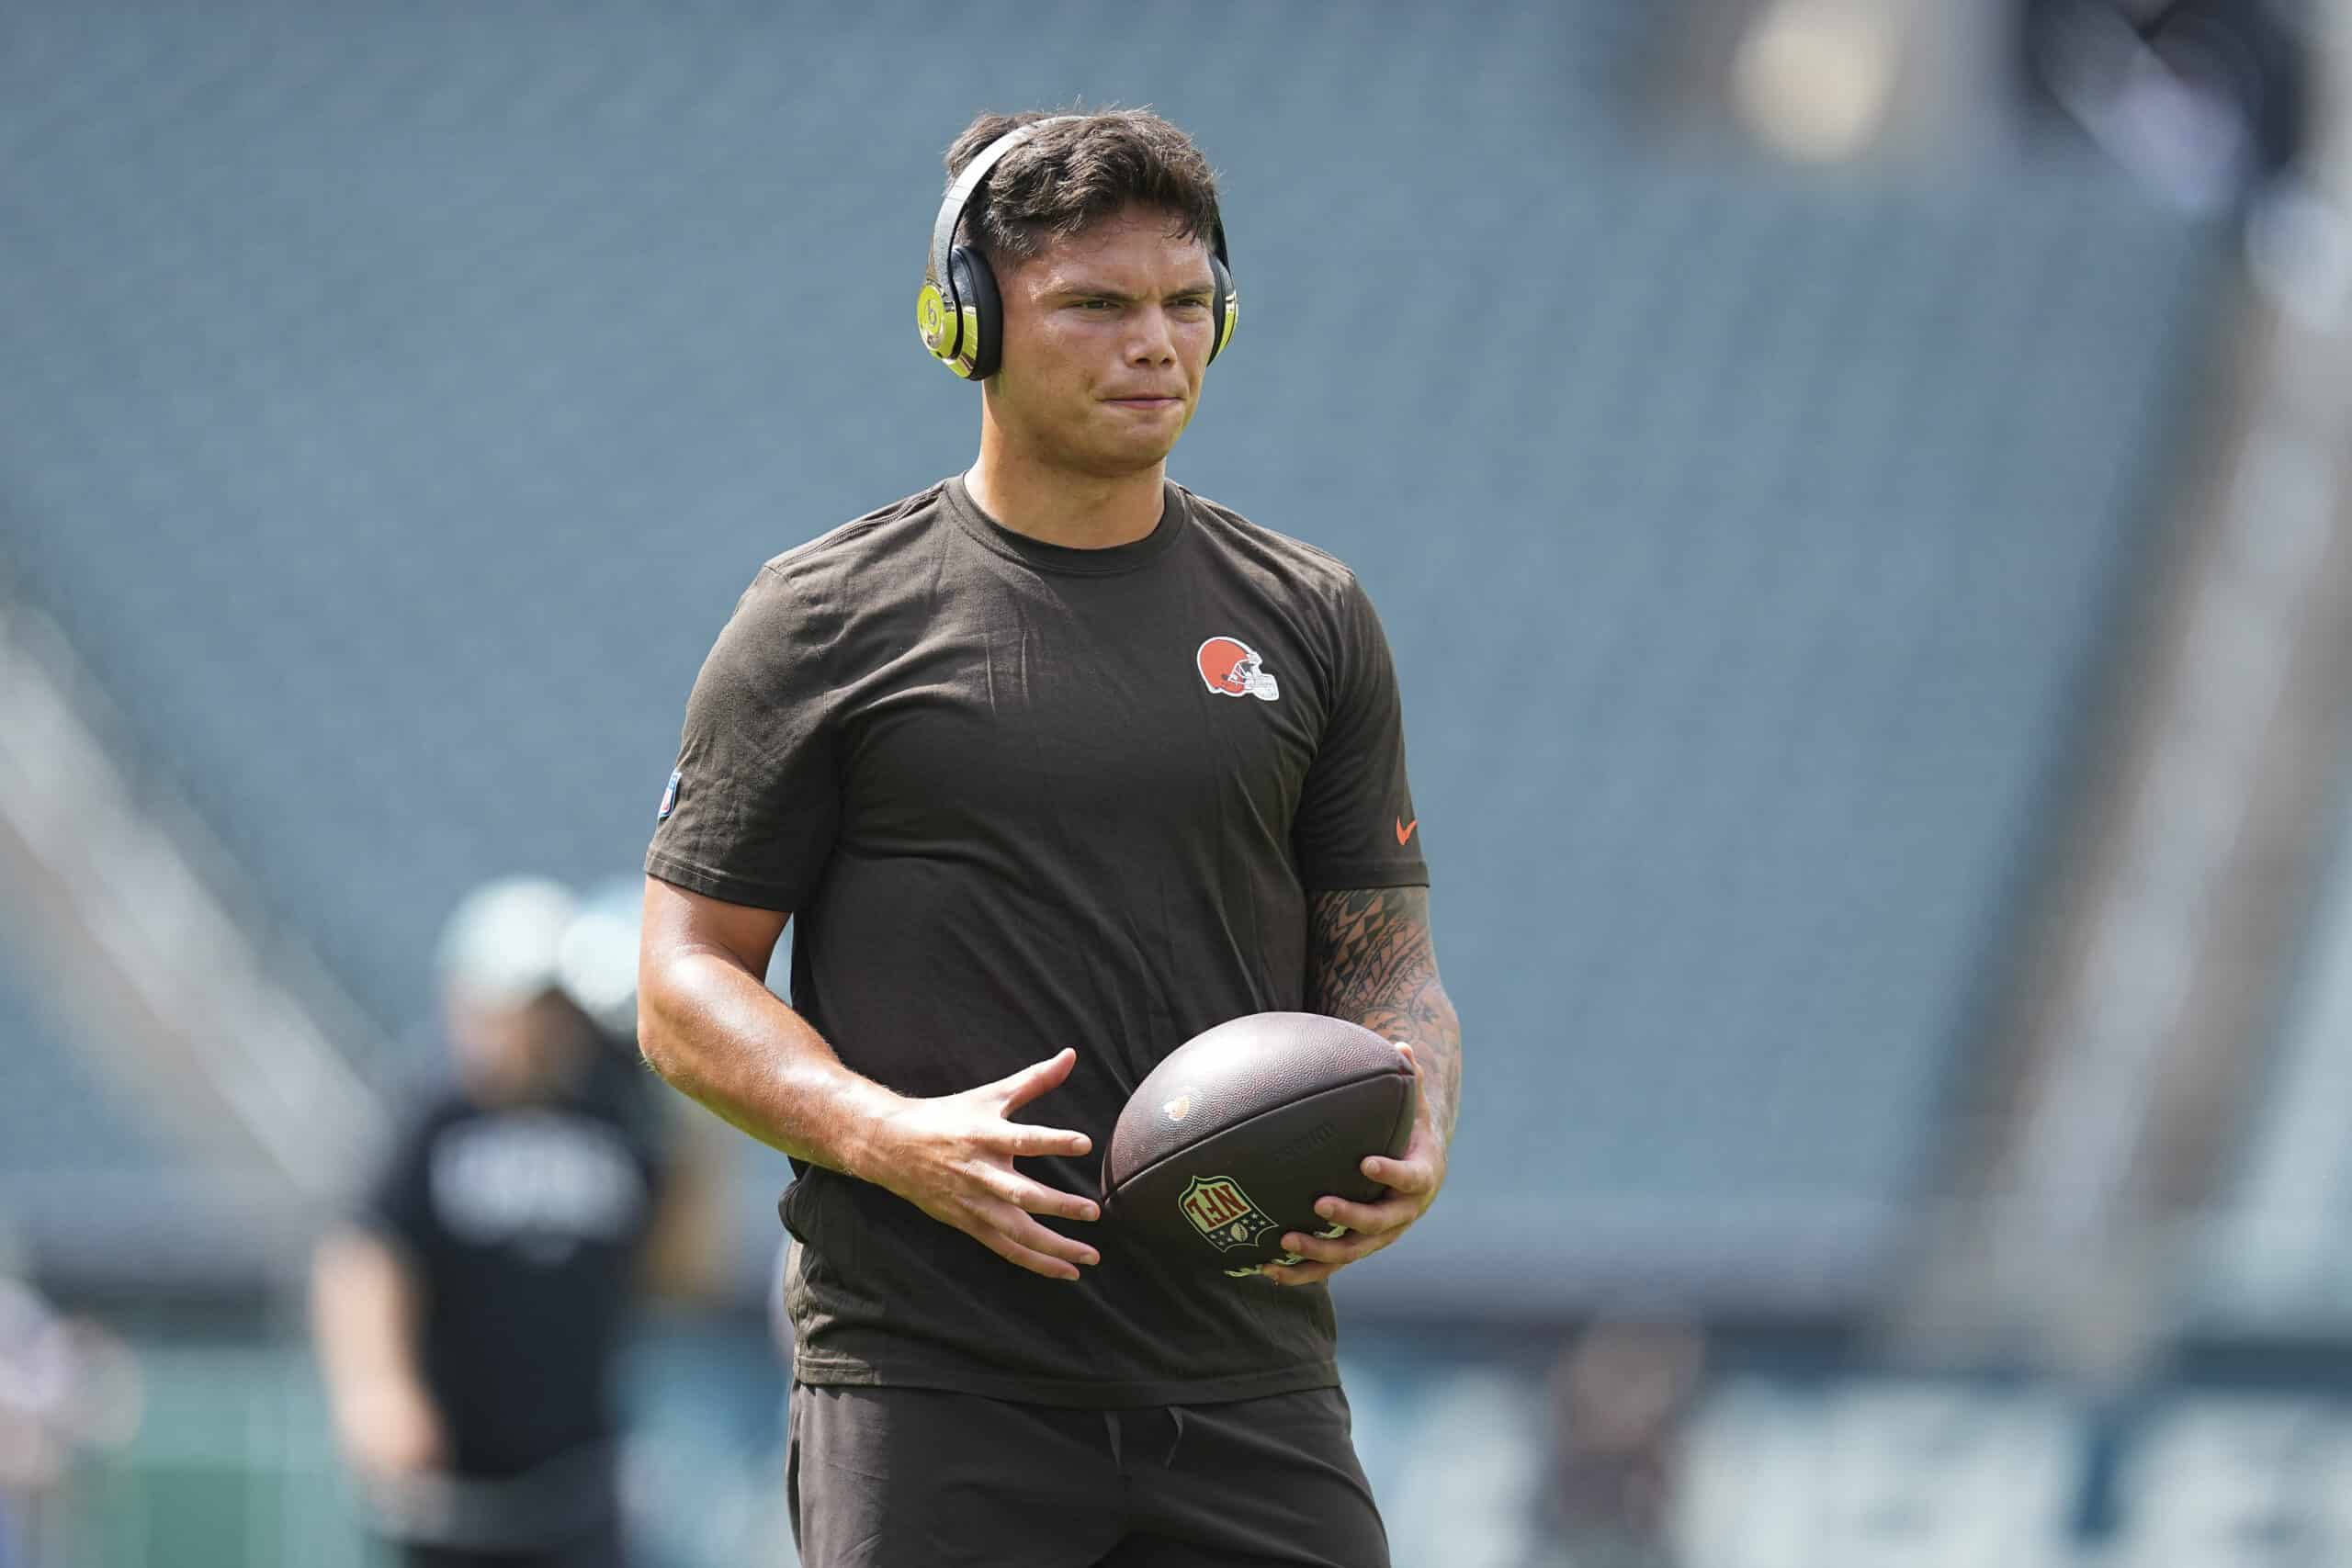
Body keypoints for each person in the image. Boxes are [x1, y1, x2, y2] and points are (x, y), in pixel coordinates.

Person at [637, 108, 1464, 1567]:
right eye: (1095, 303)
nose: (1156, 343)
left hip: (1247, 1370)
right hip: (934, 1375)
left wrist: (1420, 1119)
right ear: (969, 322)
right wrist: (885, 1134)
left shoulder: (1313, 615)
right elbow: (682, 985)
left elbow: (1387, 963)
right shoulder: (822, 615)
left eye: (1187, 304)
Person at [313, 877, 667, 1568]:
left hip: (577, 1482)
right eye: (525, 1008)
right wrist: (376, 1389)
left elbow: (681, 1272)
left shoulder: (615, 1118)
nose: (541, 1031)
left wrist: (689, 1123)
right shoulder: (435, 1118)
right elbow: (365, 1255)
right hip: (454, 1495)